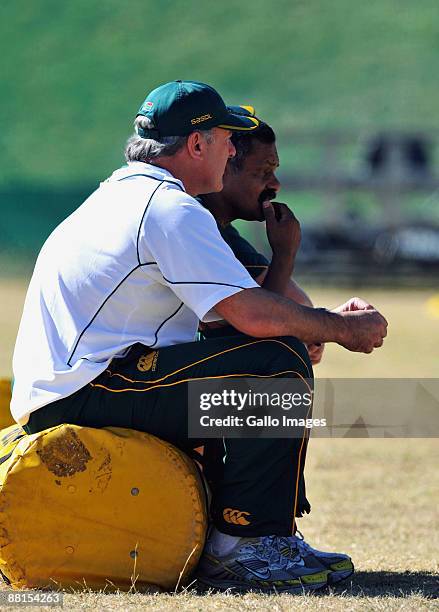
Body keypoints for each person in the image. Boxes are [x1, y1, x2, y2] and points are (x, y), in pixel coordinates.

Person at [10, 80, 387, 594]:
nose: (233, 150)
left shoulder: (126, 194)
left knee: (268, 357)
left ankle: (240, 534)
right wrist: (344, 328)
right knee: (274, 361)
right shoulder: (169, 208)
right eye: (227, 140)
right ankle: (247, 544)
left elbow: (244, 322)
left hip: (75, 388)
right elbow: (255, 318)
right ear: (196, 145)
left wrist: (316, 321)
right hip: (87, 392)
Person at [198, 116, 352, 583]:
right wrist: (284, 256)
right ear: (224, 166)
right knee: (273, 370)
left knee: (283, 362)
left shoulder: (224, 231)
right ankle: (240, 539)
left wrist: (333, 318)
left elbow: (293, 311)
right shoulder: (196, 225)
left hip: (185, 387)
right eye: (263, 171)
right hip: (151, 387)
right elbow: (259, 328)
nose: (276, 183)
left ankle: (272, 534)